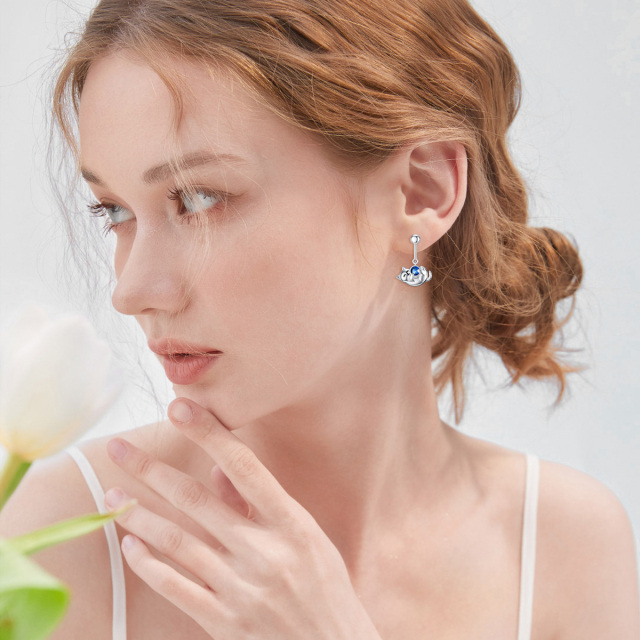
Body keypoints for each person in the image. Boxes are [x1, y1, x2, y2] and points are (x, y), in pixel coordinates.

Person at [1, 0, 639, 638]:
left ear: (422, 191)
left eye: (198, 198)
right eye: (112, 210)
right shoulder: (56, 541)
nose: (132, 288)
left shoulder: (566, 551)